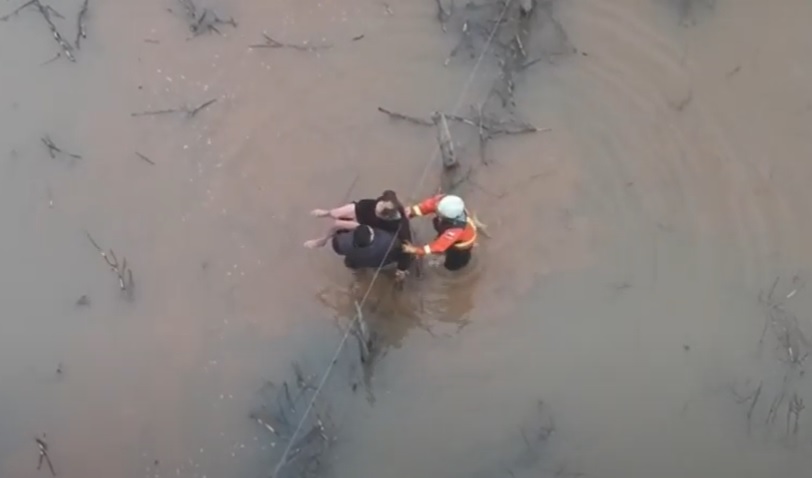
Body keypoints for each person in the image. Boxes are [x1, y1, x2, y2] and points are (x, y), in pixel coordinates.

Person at [304, 190, 412, 250]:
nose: (377, 206)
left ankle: (322, 241)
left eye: (378, 212)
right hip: (359, 208)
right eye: (380, 203)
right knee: (335, 213)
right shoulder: (387, 198)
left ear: (386, 217)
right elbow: (389, 193)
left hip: (362, 223)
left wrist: (402, 269)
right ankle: (327, 213)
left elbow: (407, 243)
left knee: (336, 224)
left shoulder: (400, 225)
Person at [401, 194, 478, 271]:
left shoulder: (454, 231)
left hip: (461, 246)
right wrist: (411, 212)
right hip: (449, 228)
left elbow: (438, 247)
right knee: (439, 227)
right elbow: (429, 205)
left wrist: (416, 250)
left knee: (452, 264)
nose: (436, 207)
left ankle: (456, 263)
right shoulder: (445, 203)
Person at [332, 225, 412, 279]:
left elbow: (337, 246)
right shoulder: (387, 242)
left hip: (355, 260)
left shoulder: (342, 242)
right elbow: (404, 250)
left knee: (350, 264)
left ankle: (359, 274)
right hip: (381, 259)